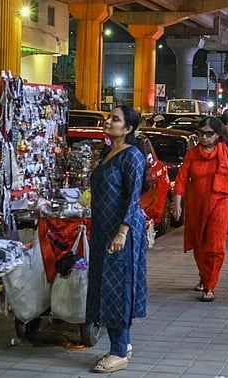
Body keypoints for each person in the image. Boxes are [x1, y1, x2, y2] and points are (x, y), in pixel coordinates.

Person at [85, 105, 147, 374]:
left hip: (120, 234)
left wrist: (122, 232)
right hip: (102, 230)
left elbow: (134, 198)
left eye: (115, 119)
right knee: (104, 285)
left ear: (128, 128)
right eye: (109, 117)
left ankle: (119, 352)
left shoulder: (132, 156)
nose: (108, 121)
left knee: (116, 289)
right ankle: (123, 343)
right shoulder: (108, 153)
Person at [172, 117, 228, 302]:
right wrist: (177, 202)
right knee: (199, 245)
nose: (204, 137)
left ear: (218, 135)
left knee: (215, 246)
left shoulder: (227, 151)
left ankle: (209, 286)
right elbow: (181, 178)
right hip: (196, 205)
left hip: (220, 202)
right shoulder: (193, 154)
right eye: (201, 133)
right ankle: (204, 275)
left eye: (209, 134)